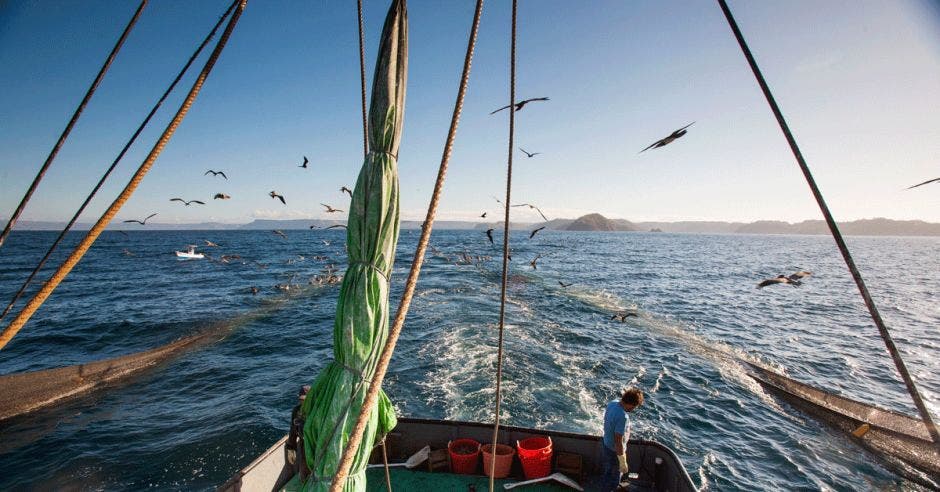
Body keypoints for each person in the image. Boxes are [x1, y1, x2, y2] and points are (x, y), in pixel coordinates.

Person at [601, 387, 644, 491]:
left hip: (606, 444)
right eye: (634, 406)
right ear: (630, 403)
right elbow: (618, 441)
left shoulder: (612, 403)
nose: (633, 409)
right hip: (615, 451)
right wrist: (622, 460)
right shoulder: (623, 417)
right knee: (615, 477)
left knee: (608, 471)